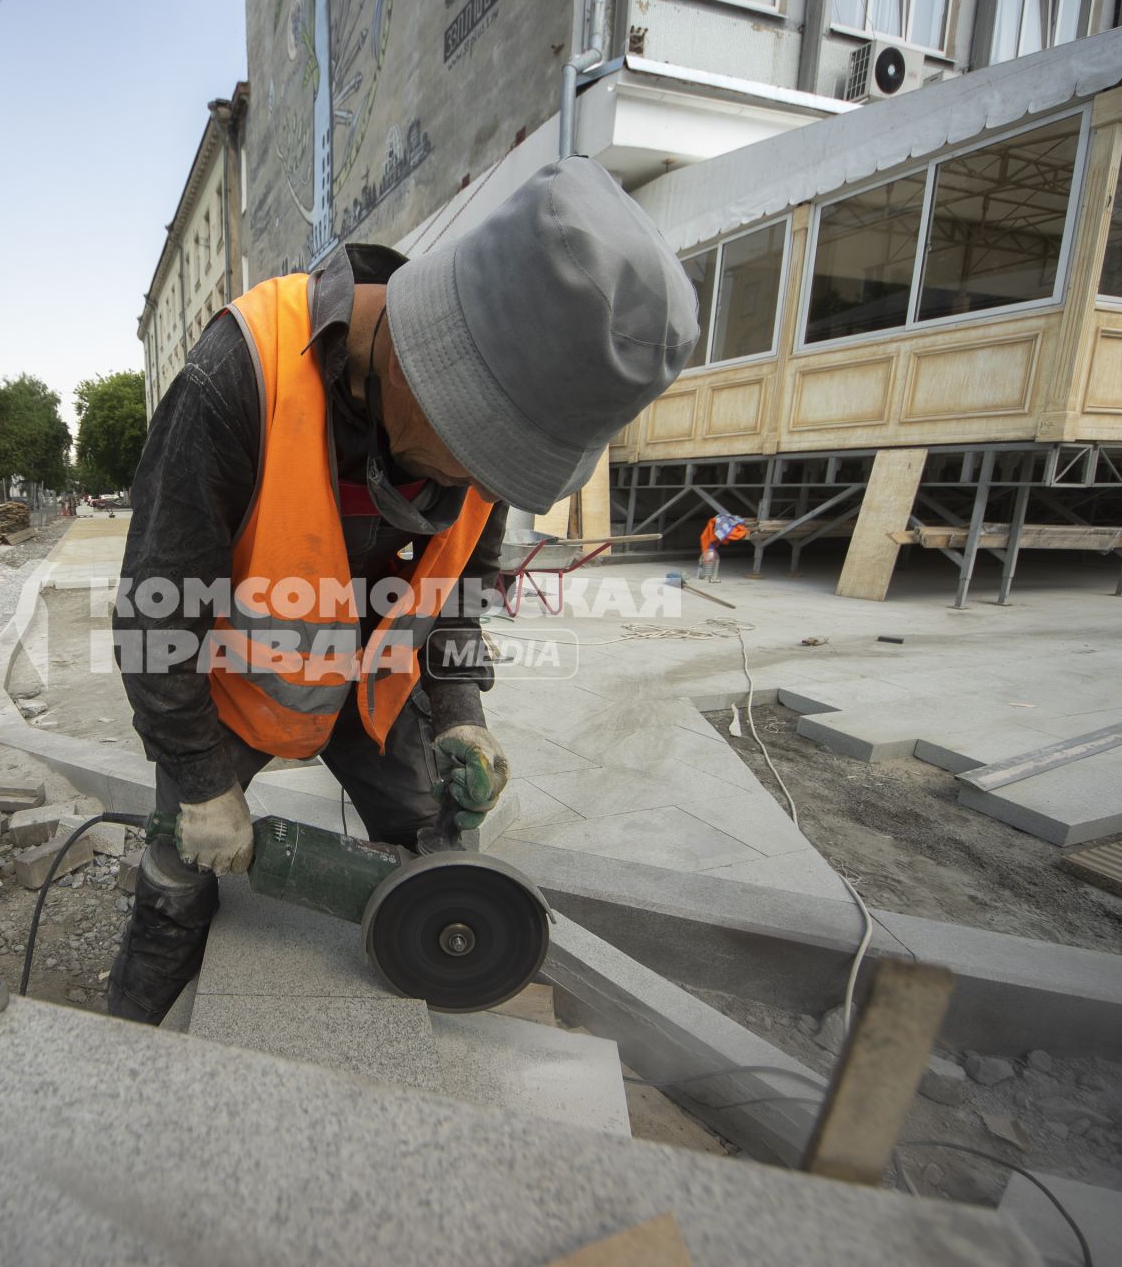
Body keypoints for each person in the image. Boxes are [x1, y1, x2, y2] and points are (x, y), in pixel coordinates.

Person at [106, 157, 699, 1023]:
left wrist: (460, 711)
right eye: (476, 448)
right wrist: (199, 782)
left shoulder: (487, 450)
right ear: (426, 360)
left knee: (437, 850)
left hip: (373, 696)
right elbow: (154, 615)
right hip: (231, 698)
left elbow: (458, 593)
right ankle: (127, 1042)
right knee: (181, 869)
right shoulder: (238, 379)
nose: (477, 482)